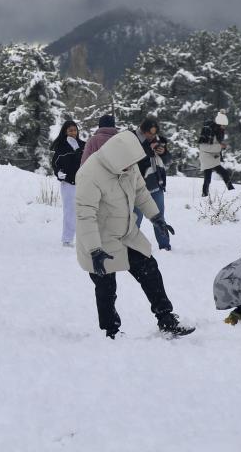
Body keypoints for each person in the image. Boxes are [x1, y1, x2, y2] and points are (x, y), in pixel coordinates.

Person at [75, 129, 193, 339]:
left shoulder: (127, 164)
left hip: (127, 233)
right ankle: (111, 332)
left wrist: (156, 217)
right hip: (100, 241)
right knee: (106, 287)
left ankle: (166, 318)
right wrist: (94, 250)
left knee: (150, 268)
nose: (132, 168)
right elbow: (86, 217)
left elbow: (140, 191)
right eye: (128, 164)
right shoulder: (89, 175)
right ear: (116, 159)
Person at [133, 118, 173, 250]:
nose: (152, 136)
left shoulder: (159, 141)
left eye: (154, 133)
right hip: (137, 187)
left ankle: (165, 246)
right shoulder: (132, 139)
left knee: (159, 217)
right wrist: (148, 149)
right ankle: (131, 247)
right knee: (135, 219)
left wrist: (164, 153)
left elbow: (167, 161)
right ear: (143, 130)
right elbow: (133, 160)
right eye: (149, 133)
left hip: (156, 184)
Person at [50, 119, 84, 247]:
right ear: (65, 131)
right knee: (70, 211)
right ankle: (67, 239)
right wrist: (58, 173)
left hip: (83, 182)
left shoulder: (83, 145)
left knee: (85, 211)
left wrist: (77, 149)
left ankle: (84, 239)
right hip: (68, 183)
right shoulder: (61, 147)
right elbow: (55, 164)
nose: (73, 132)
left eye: (75, 130)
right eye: (70, 130)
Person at [199, 111, 235, 197]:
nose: (224, 127)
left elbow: (216, 144)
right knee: (213, 176)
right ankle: (232, 191)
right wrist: (220, 146)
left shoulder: (218, 131)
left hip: (213, 157)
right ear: (219, 124)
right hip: (207, 157)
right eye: (223, 125)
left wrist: (221, 146)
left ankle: (204, 195)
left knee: (209, 177)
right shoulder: (208, 130)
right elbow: (204, 147)